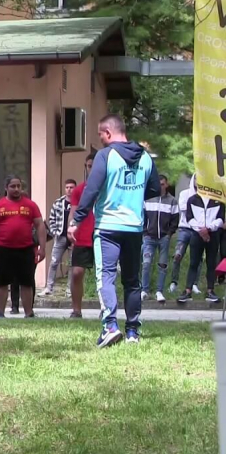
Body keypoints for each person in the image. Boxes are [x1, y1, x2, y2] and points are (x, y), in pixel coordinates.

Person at [69, 114, 159, 348]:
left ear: (108, 132)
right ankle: (132, 332)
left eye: (100, 135)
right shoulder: (146, 157)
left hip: (108, 226)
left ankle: (109, 326)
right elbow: (155, 188)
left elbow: (92, 189)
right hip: (134, 226)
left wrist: (77, 220)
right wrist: (132, 196)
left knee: (106, 276)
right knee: (132, 280)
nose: (101, 140)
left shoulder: (106, 155)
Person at [0, 176, 46, 318]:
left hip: (26, 249)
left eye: (18, 186)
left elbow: (40, 225)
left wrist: (42, 247)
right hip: (4, 249)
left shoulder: (30, 205)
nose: (16, 189)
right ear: (6, 188)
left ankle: (29, 313)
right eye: (13, 186)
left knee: (27, 282)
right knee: (2, 282)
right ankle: (0, 312)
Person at [178, 192, 224, 304]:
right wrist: (201, 230)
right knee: (194, 263)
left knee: (211, 263)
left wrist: (208, 228)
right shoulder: (192, 199)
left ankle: (210, 290)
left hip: (212, 235)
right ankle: (188, 291)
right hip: (196, 234)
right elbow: (189, 218)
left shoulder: (217, 200)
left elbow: (220, 219)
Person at [141, 175, 180, 302]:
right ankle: (144, 290)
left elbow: (175, 220)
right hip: (149, 237)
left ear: (166, 185)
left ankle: (159, 291)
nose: (160, 186)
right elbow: (143, 217)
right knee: (146, 263)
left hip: (164, 237)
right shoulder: (148, 199)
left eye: (162, 184)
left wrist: (169, 233)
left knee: (162, 265)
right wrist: (145, 232)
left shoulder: (172, 201)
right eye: (158, 184)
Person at [68, 154, 96, 318]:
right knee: (77, 273)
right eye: (88, 166)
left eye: (94, 166)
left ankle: (106, 310)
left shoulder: (108, 188)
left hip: (102, 234)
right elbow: (73, 212)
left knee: (105, 275)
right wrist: (70, 228)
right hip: (82, 236)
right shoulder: (79, 190)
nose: (91, 169)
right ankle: (76, 310)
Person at [42, 179, 76, 297]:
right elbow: (52, 219)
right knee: (54, 261)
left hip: (74, 238)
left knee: (72, 264)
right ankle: (49, 287)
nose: (69, 190)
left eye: (71, 187)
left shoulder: (79, 203)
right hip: (60, 236)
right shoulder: (58, 202)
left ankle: (69, 290)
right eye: (67, 187)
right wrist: (55, 231)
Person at [170, 173, 200, 294]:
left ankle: (194, 283)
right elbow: (183, 208)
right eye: (197, 179)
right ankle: (174, 282)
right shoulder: (184, 194)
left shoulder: (204, 196)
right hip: (184, 228)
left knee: (197, 258)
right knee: (178, 255)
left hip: (197, 229)